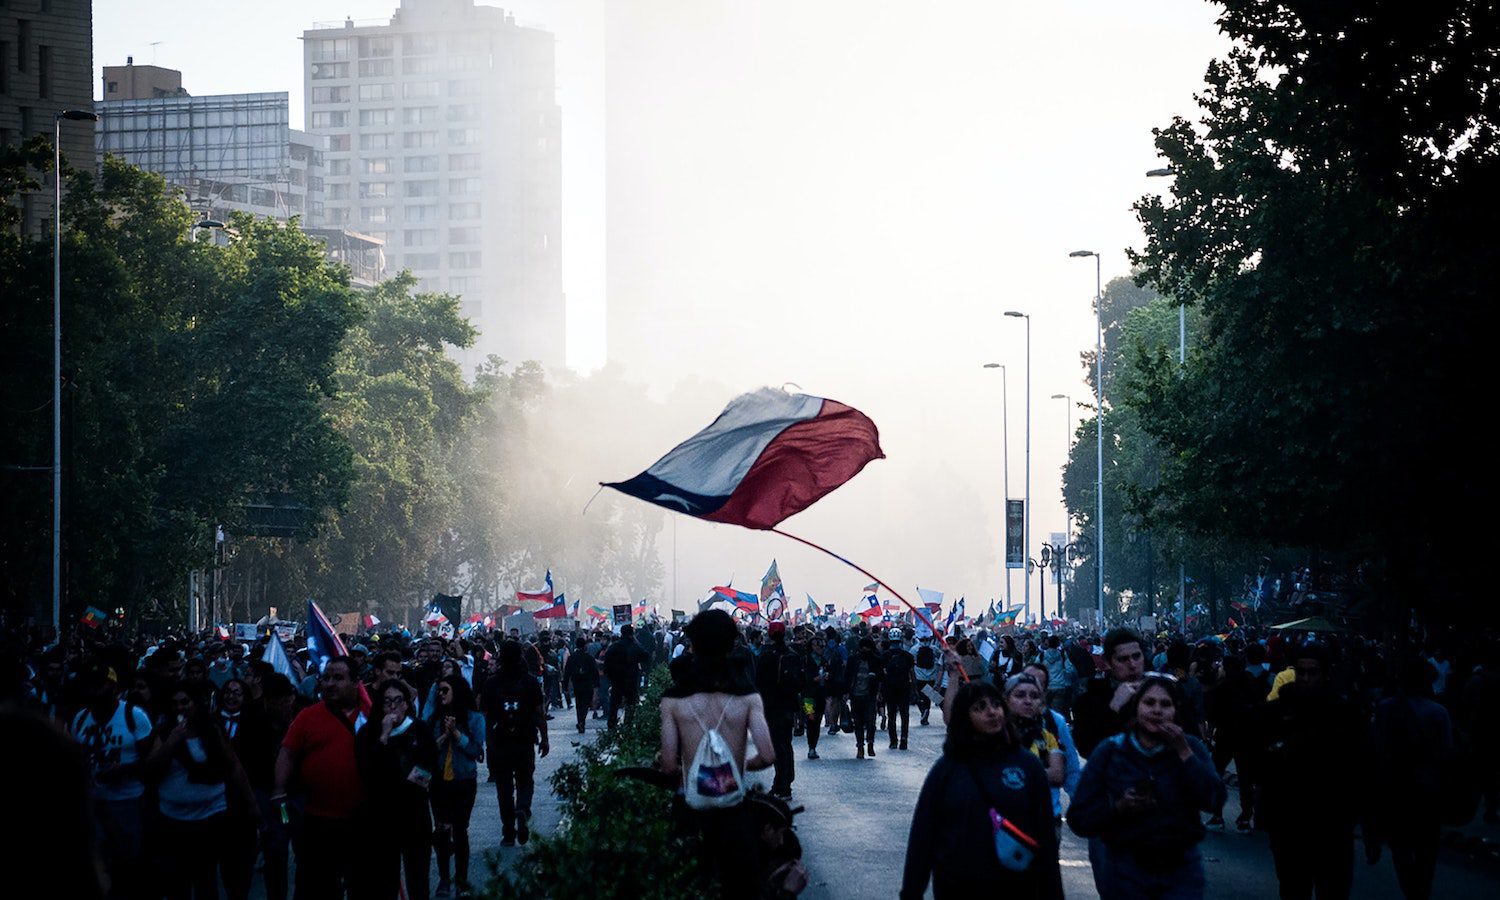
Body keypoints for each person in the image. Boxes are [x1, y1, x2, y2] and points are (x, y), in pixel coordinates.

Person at [1069, 674, 1226, 900]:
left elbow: (1214, 799)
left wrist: (1184, 754)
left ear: (1175, 710)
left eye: (1165, 704)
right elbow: (1079, 817)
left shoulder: (1190, 747)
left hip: (1179, 872)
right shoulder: (1111, 751)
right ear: (1136, 707)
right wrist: (1118, 807)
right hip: (1125, 871)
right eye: (1149, 703)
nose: (1157, 710)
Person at [900, 680, 1061, 899]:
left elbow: (1045, 836)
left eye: (996, 704)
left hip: (1017, 884)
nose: (991, 712)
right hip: (958, 886)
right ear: (964, 717)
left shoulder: (1026, 765)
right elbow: (923, 836)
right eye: (980, 707)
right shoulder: (947, 769)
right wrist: (911, 891)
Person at [658, 609, 775, 900]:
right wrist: (734, 767)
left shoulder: (673, 701)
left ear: (693, 646)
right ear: (732, 644)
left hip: (691, 815)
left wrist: (689, 769)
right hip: (735, 817)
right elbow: (767, 755)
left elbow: (669, 765)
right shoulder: (748, 698)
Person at [1256, 644, 1372, 900]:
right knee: (1293, 889)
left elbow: (1362, 772)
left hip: (1332, 826)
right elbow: (1264, 768)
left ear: (1326, 674)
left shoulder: (1345, 714)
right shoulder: (1277, 713)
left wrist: (1369, 829)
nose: (1306, 678)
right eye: (1302, 672)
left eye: (1313, 672)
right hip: (1289, 826)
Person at [146, 683, 257, 900]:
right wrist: (171, 742)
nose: (180, 708)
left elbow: (233, 765)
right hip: (175, 819)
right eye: (175, 704)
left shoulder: (211, 729)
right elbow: (151, 769)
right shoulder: (164, 731)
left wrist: (251, 802)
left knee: (205, 878)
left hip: (210, 816)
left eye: (185, 702)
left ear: (195, 703)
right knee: (178, 880)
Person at [274, 656, 365, 899]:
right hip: (316, 820)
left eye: (338, 678)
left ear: (356, 682)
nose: (330, 683)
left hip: (360, 821)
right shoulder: (308, 716)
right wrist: (279, 790)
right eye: (326, 678)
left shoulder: (370, 714)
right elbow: (287, 753)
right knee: (317, 885)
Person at [70, 660, 157, 900]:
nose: (96, 690)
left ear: (114, 687)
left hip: (129, 802)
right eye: (92, 685)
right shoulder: (80, 718)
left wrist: (125, 770)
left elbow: (151, 761)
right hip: (94, 802)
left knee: (128, 862)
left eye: (102, 685)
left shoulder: (134, 716)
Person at [1370, 659, 1453, 900]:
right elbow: (1447, 753)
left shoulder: (1385, 708)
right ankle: (1421, 891)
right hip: (1428, 789)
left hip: (1396, 788)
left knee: (1400, 847)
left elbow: (1377, 748)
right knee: (1427, 850)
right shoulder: (1438, 712)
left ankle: (1411, 891)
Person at [356, 678, 437, 900]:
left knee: (418, 878)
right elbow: (367, 770)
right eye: (387, 701)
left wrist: (407, 779)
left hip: (415, 814)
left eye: (398, 701)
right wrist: (384, 736)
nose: (393, 707)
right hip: (382, 817)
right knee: (385, 880)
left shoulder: (419, 729)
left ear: (406, 703)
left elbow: (430, 767)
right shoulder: (368, 733)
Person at [479, 640, 549, 846]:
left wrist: (488, 740)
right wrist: (544, 738)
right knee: (525, 780)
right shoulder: (530, 682)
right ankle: (523, 808)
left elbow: (484, 713)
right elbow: (539, 713)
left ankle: (508, 831)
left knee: (504, 788)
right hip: (524, 739)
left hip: (499, 741)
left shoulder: (491, 683)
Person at [425, 675, 485, 898]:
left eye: (445, 690)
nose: (441, 695)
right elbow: (428, 749)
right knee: (442, 830)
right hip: (439, 782)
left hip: (463, 781)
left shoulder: (474, 718)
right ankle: (444, 878)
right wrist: (444, 735)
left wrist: (458, 735)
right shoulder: (434, 718)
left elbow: (476, 751)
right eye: (439, 691)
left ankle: (461, 880)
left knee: (460, 831)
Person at [1072, 627, 1147, 758]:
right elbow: (1087, 748)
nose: (1132, 665)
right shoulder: (1090, 698)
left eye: (1136, 656)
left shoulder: (1162, 690)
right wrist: (1113, 708)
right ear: (1108, 662)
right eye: (1123, 659)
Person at [754, 620, 802, 798]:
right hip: (789, 705)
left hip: (771, 706)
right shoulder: (793, 655)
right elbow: (800, 682)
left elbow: (758, 682)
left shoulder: (765, 656)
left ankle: (782, 784)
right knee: (786, 744)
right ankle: (785, 782)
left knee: (777, 745)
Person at [845, 638, 884, 759]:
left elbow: (881, 677)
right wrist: (846, 691)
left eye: (867, 647)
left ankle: (870, 743)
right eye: (863, 647)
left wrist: (879, 691)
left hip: (870, 695)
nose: (865, 649)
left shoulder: (876, 660)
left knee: (871, 721)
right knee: (858, 722)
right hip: (855, 695)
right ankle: (860, 746)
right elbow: (847, 676)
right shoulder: (853, 660)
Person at [604, 624, 647, 728]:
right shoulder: (635, 646)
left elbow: (607, 664)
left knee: (614, 704)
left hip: (617, 680)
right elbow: (646, 656)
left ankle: (611, 726)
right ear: (632, 634)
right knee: (631, 704)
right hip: (631, 680)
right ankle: (628, 725)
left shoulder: (614, 647)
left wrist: (611, 678)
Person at [883, 636, 915, 750]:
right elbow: (912, 673)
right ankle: (904, 739)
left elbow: (882, 674)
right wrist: (914, 689)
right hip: (904, 688)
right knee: (904, 715)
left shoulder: (885, 655)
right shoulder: (907, 656)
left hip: (890, 688)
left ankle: (893, 740)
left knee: (891, 715)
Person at [562, 636, 600, 734]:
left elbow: (567, 672)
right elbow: (595, 672)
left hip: (577, 683)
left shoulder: (572, 658)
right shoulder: (589, 658)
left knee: (579, 703)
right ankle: (582, 720)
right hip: (587, 683)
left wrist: (565, 685)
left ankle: (580, 721)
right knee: (586, 703)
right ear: (585, 646)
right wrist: (596, 684)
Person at [912, 637, 941, 726]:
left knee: (919, 695)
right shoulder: (934, 648)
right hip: (931, 676)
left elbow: (910, 660)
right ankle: (928, 710)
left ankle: (923, 710)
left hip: (919, 675)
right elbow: (940, 658)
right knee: (929, 695)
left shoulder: (914, 649)